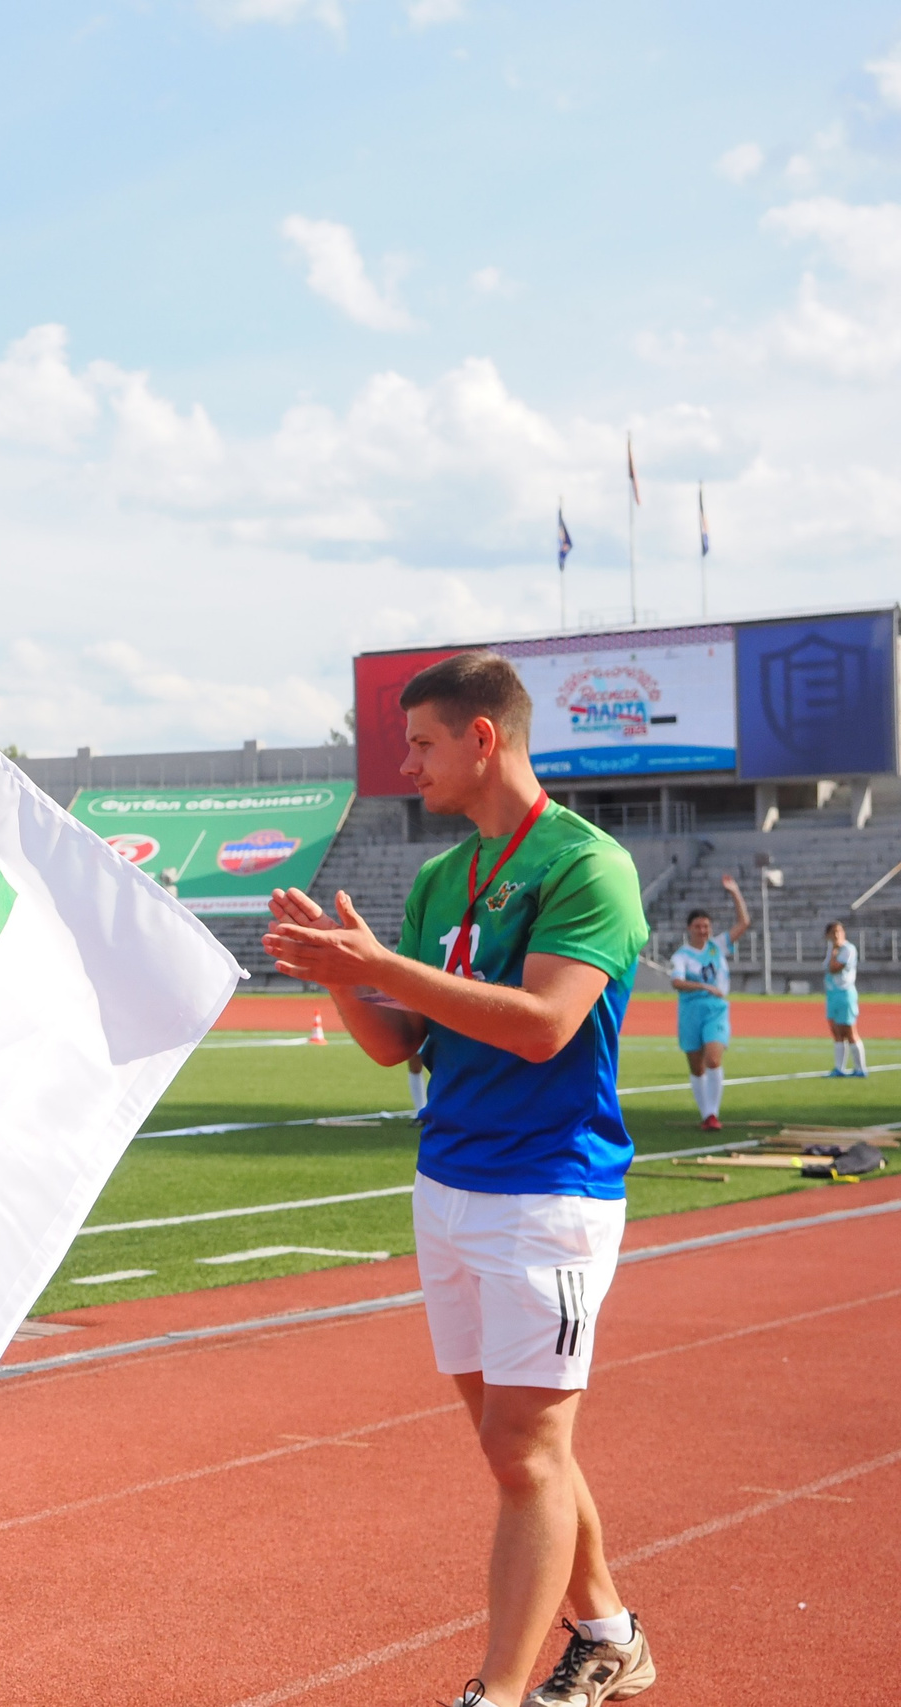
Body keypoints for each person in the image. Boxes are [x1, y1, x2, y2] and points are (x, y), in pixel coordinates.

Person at [262, 652, 654, 1707]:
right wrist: (341, 978)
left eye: (422, 743)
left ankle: (493, 1693)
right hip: (448, 1186)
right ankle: (610, 1633)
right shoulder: (444, 876)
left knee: (526, 1452)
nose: (406, 763)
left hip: (548, 1193)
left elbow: (542, 1027)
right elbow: (400, 1045)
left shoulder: (586, 865)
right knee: (512, 1448)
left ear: (483, 739)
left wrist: (377, 965)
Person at [666, 878, 749, 1132]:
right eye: (698, 926)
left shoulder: (717, 946)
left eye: (706, 926)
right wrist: (703, 986)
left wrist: (735, 892)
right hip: (691, 1011)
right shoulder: (681, 955)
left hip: (716, 1010)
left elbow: (743, 923)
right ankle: (706, 1115)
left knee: (713, 1059)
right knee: (696, 1066)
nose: (703, 930)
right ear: (689, 929)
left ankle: (713, 1114)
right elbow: (677, 982)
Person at [822, 921, 867, 1077]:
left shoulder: (848, 949)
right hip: (832, 994)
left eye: (839, 931)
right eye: (833, 932)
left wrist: (834, 951)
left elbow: (834, 968)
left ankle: (860, 1069)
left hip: (844, 994)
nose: (836, 935)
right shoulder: (832, 949)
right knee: (836, 1032)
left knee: (850, 1031)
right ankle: (839, 1068)